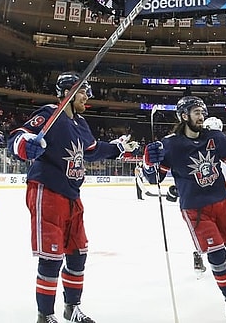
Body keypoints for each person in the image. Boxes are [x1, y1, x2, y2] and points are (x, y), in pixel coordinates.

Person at [7, 71, 133, 323]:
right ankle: (46, 315)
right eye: (84, 92)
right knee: (51, 258)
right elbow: (15, 137)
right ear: (68, 93)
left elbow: (93, 151)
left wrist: (118, 148)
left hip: (72, 196)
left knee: (77, 254)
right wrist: (24, 145)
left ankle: (71, 308)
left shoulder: (81, 124)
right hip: (47, 190)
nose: (87, 97)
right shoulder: (49, 113)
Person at [142, 96, 226, 319]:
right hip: (196, 210)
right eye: (196, 112)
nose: (201, 116)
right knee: (216, 257)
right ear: (184, 116)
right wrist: (149, 162)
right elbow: (154, 178)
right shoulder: (170, 144)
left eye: (202, 112)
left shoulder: (215, 137)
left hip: (223, 204)